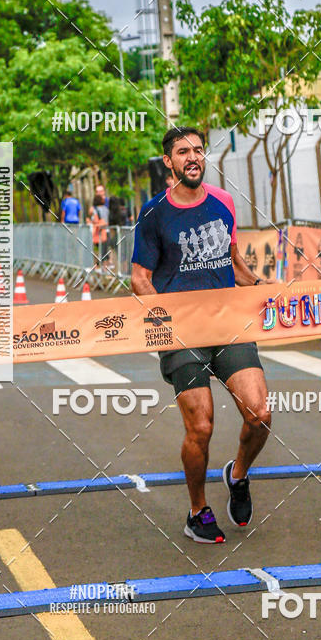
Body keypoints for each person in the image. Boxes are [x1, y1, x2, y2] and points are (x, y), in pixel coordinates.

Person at [131, 127, 273, 544]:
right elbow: (139, 279)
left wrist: (263, 287)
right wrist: (166, 323)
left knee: (261, 415)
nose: (192, 157)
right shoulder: (153, 213)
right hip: (183, 333)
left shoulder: (224, 202)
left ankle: (239, 474)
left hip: (228, 323)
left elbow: (232, 260)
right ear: (168, 163)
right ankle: (197, 511)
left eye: (197, 150)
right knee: (202, 426)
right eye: (182, 152)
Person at [87, 192, 109, 270]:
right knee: (105, 253)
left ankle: (97, 269)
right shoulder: (106, 209)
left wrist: (90, 222)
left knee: (97, 252)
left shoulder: (95, 210)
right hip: (106, 231)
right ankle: (105, 270)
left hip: (99, 232)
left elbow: (95, 221)